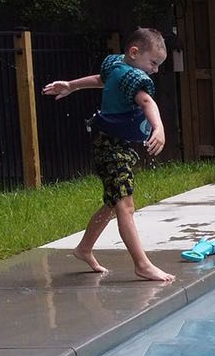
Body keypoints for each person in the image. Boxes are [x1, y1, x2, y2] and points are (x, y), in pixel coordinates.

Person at [43, 28, 174, 282]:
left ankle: (84, 249)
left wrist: (72, 85)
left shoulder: (116, 66)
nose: (156, 70)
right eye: (154, 63)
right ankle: (142, 264)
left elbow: (101, 80)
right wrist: (158, 127)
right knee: (125, 205)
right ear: (134, 53)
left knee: (114, 202)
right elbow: (147, 102)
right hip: (112, 148)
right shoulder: (134, 78)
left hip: (111, 144)